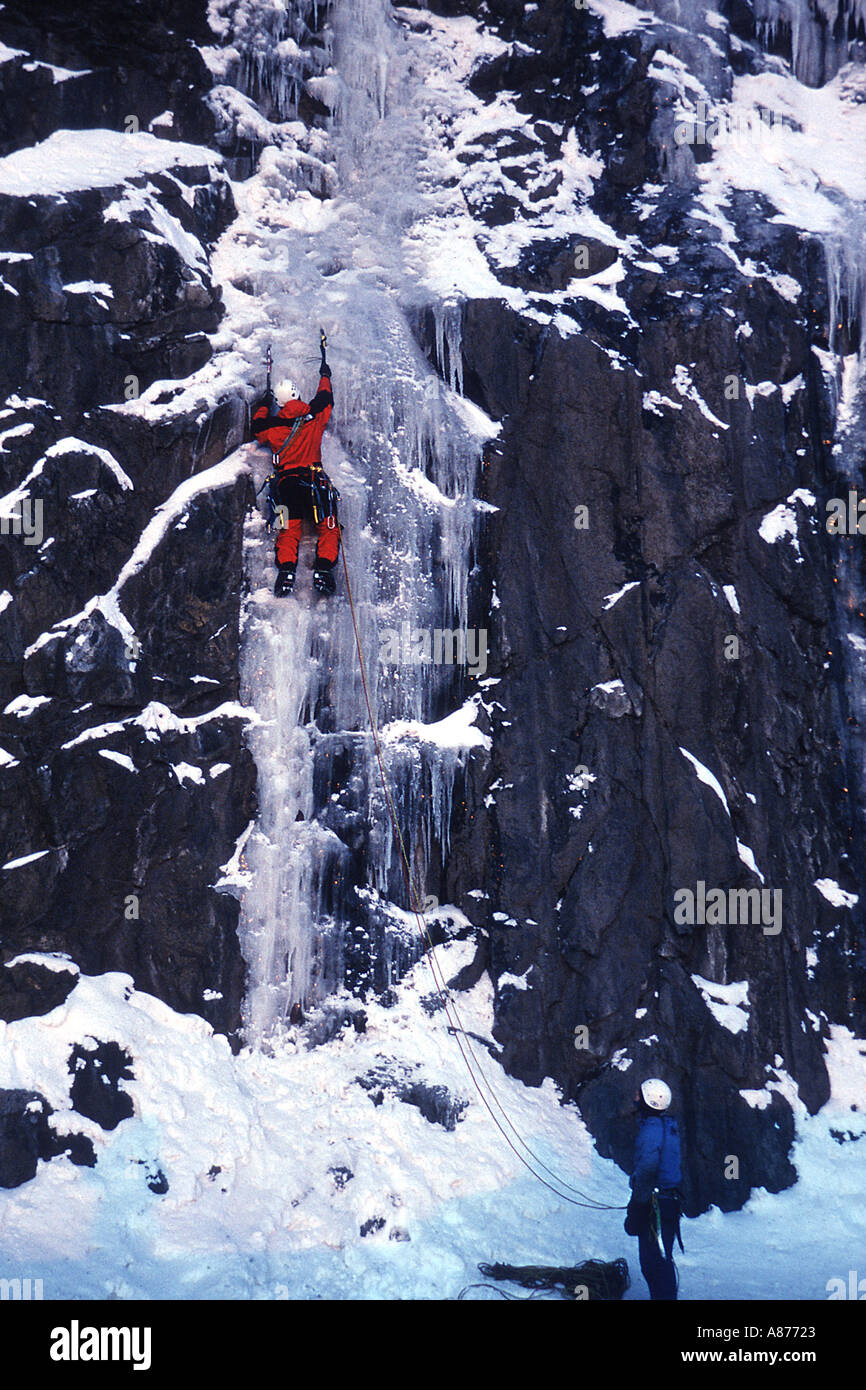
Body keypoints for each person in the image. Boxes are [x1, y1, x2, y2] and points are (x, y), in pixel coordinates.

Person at [252, 334, 340, 597]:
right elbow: (325, 399)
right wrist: (325, 374)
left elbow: (257, 427)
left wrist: (264, 405)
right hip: (314, 482)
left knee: (287, 529)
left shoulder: (274, 428)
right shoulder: (312, 418)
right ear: (298, 395)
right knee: (328, 524)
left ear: (280, 404)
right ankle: (323, 571)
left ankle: (286, 572)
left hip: (285, 485)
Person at [624, 1078, 683, 1300]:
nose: (635, 1097)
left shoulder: (651, 1131)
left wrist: (637, 1207)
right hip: (668, 1202)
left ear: (648, 1101)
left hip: (654, 1203)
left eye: (639, 1094)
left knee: (653, 1263)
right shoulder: (668, 1127)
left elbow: (648, 1170)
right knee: (660, 1259)